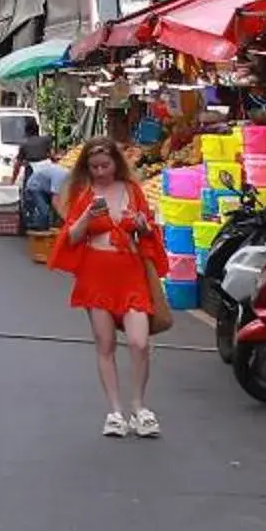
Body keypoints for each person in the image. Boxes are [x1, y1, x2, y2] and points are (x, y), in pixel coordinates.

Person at [48, 137, 170, 437]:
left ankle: (139, 407)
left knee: (140, 342)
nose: (101, 172)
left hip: (131, 273)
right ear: (87, 168)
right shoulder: (84, 193)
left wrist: (142, 226)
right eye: (95, 167)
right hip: (96, 275)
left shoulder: (132, 190)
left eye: (105, 165)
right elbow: (71, 237)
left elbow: (148, 232)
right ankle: (115, 411)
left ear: (116, 163)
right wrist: (87, 216)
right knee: (106, 344)